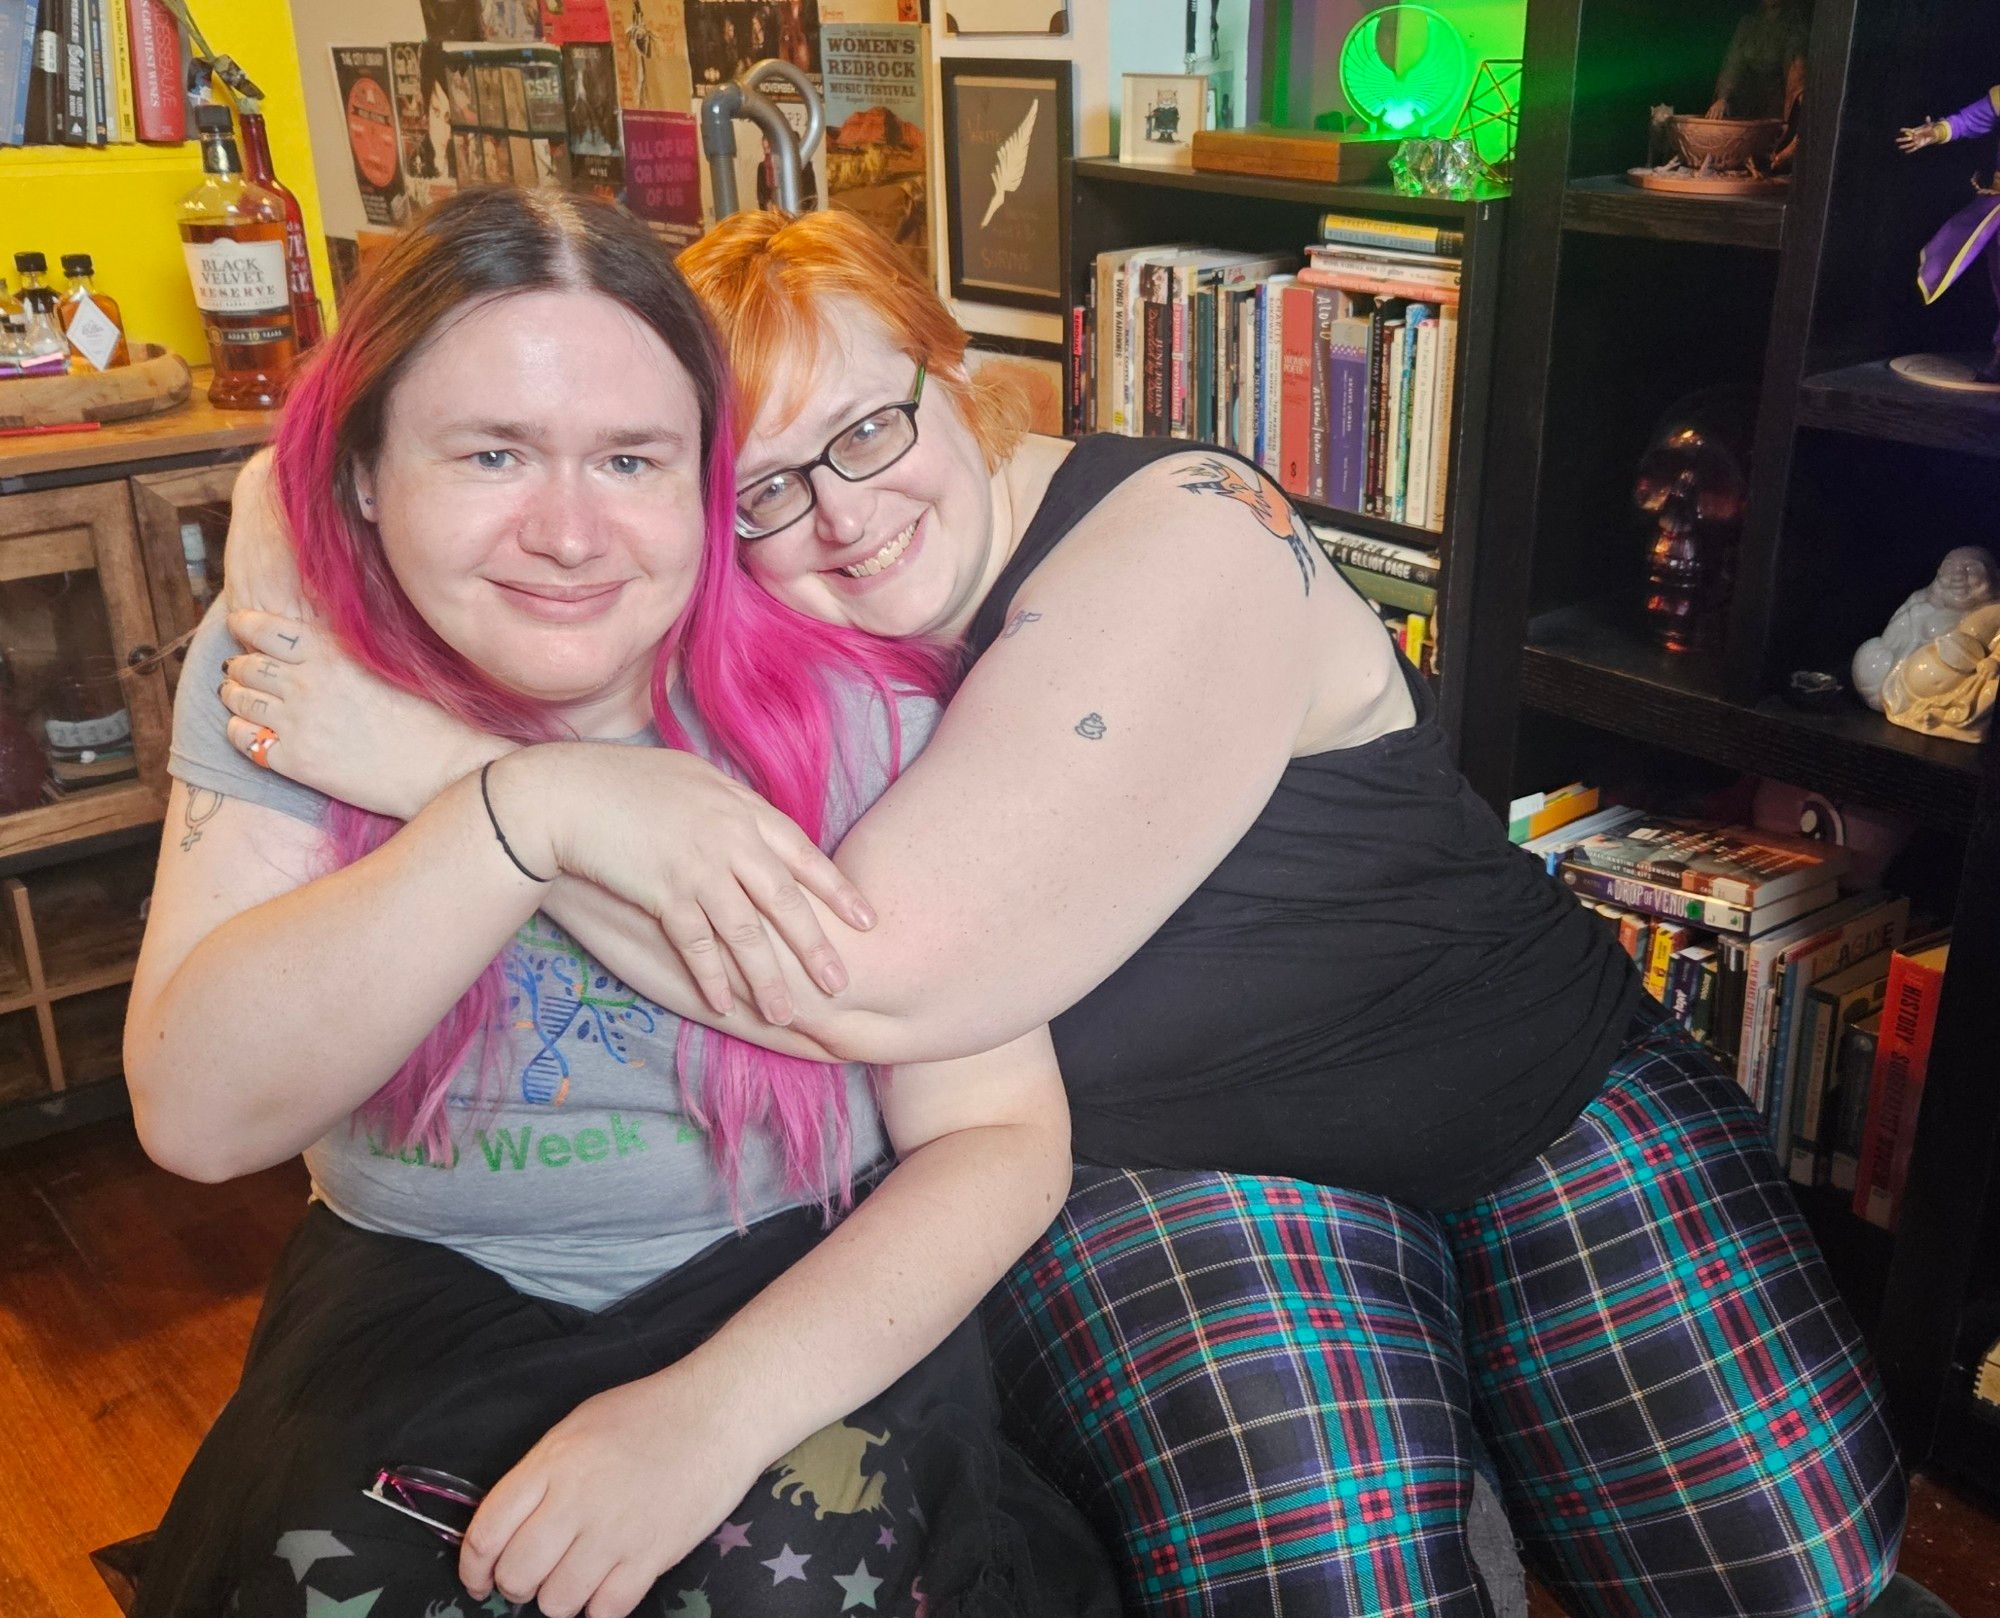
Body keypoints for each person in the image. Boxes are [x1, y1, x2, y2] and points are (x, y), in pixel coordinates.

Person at [221, 206, 1906, 1618]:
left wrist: (464, 780)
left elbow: (868, 975)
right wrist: (298, 533)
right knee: (1334, 1579)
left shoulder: (1182, 528)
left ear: (973, 378)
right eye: (766, 490)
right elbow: (339, 494)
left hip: (1528, 1087)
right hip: (1173, 1173)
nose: (846, 511)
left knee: (1796, 1577)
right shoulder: (752, 662)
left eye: (871, 428)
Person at [127, 188, 1116, 1618]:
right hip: (419, 1279)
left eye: (633, 460)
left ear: (703, 481)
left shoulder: (844, 693)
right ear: (360, 474)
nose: (573, 535)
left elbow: (999, 1134)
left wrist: (704, 1417)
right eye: (489, 452)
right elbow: (199, 1117)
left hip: (797, 1270)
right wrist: (530, 810)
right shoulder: (293, 671)